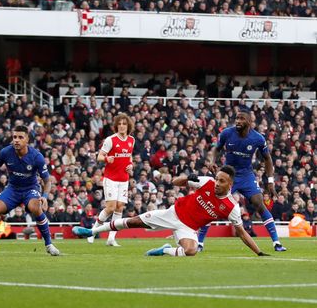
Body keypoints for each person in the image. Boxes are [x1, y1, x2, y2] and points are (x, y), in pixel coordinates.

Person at [72, 166, 269, 257]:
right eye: (217, 179)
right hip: (172, 214)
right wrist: (187, 179)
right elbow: (174, 182)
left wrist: (259, 252)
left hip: (188, 228)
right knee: (131, 222)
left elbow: (242, 232)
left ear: (230, 184)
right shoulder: (207, 182)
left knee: (191, 251)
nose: (217, 183)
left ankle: (165, 250)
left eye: (222, 181)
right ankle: (92, 231)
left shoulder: (232, 207)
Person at [197, 106, 287, 252]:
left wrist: (270, 181)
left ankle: (276, 243)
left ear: (249, 121)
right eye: (237, 118)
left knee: (259, 203)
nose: (237, 121)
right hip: (228, 175)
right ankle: (200, 243)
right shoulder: (227, 133)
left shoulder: (258, 138)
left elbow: (268, 159)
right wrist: (212, 160)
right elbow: (216, 149)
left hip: (246, 175)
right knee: (212, 205)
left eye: (241, 118)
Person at [0, 125, 60, 257]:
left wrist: (44, 195)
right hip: (13, 189)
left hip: (30, 189)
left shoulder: (36, 156)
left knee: (36, 207)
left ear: (27, 139)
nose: (16, 140)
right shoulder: (5, 152)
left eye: (20, 137)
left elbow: (47, 180)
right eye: (14, 137)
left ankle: (49, 245)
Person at [87, 113, 134, 247]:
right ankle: (93, 231)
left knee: (120, 207)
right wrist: (107, 158)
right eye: (119, 124)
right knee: (110, 207)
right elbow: (99, 157)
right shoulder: (110, 140)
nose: (121, 126)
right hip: (111, 179)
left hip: (124, 179)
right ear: (116, 126)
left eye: (124, 124)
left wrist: (131, 165)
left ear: (128, 126)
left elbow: (129, 157)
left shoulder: (132, 140)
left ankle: (111, 238)